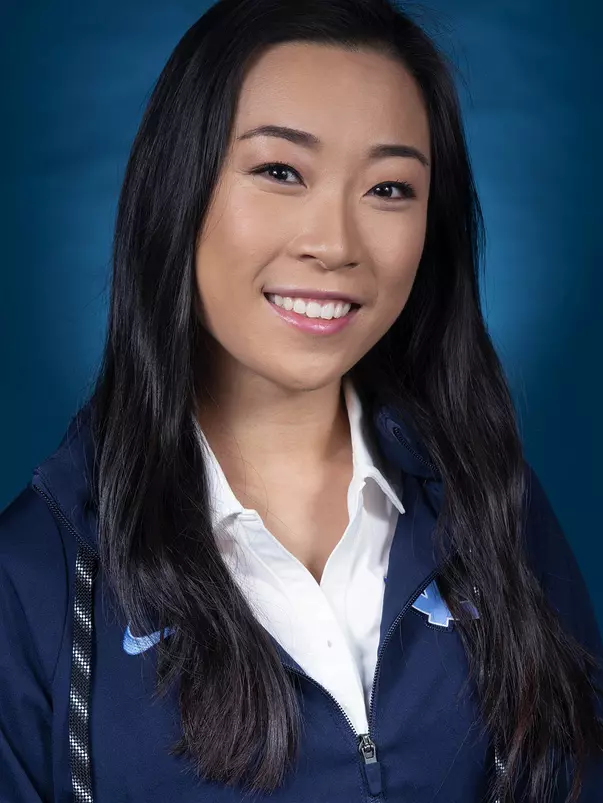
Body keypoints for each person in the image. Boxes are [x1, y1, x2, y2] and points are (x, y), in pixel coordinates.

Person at [1, 0, 602, 800]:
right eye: (280, 172)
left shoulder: (495, 505)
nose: (335, 244)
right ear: (178, 187)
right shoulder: (34, 580)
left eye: (388, 187)